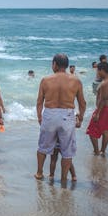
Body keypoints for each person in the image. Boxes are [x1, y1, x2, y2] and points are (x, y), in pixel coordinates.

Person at [35, 54, 86, 182]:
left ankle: (39, 173)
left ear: (55, 64)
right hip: (67, 115)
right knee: (67, 150)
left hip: (50, 114)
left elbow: (39, 101)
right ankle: (64, 178)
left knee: (43, 147)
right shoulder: (76, 80)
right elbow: (82, 102)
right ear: (67, 65)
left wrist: (39, 117)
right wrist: (81, 117)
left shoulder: (45, 80)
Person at [86, 62, 108, 156]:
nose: (97, 73)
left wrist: (97, 113)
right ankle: (103, 151)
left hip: (103, 109)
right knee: (105, 130)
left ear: (102, 70)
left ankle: (96, 151)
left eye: (98, 71)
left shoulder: (105, 83)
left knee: (91, 131)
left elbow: (103, 99)